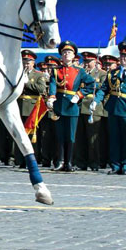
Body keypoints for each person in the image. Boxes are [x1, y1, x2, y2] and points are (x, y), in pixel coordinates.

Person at [92, 42, 126, 175]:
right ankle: (115, 164)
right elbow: (104, 89)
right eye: (121, 56)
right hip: (113, 108)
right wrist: (96, 101)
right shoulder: (112, 73)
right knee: (114, 138)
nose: (122, 58)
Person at [47, 41, 95, 172]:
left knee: (71, 136)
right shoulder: (56, 71)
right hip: (59, 106)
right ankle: (60, 161)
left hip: (72, 106)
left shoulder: (79, 71)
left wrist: (79, 94)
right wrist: (51, 97)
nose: (66, 54)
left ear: (74, 55)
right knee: (59, 136)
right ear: (61, 56)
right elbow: (52, 85)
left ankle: (69, 162)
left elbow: (91, 84)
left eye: (69, 52)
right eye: (64, 52)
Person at [75, 51, 106, 171]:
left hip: (93, 107)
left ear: (96, 62)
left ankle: (94, 162)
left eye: (89, 61)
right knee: (80, 137)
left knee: (93, 138)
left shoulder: (101, 74)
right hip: (80, 107)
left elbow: (101, 87)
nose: (86, 64)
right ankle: (81, 162)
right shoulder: (80, 73)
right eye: (85, 61)